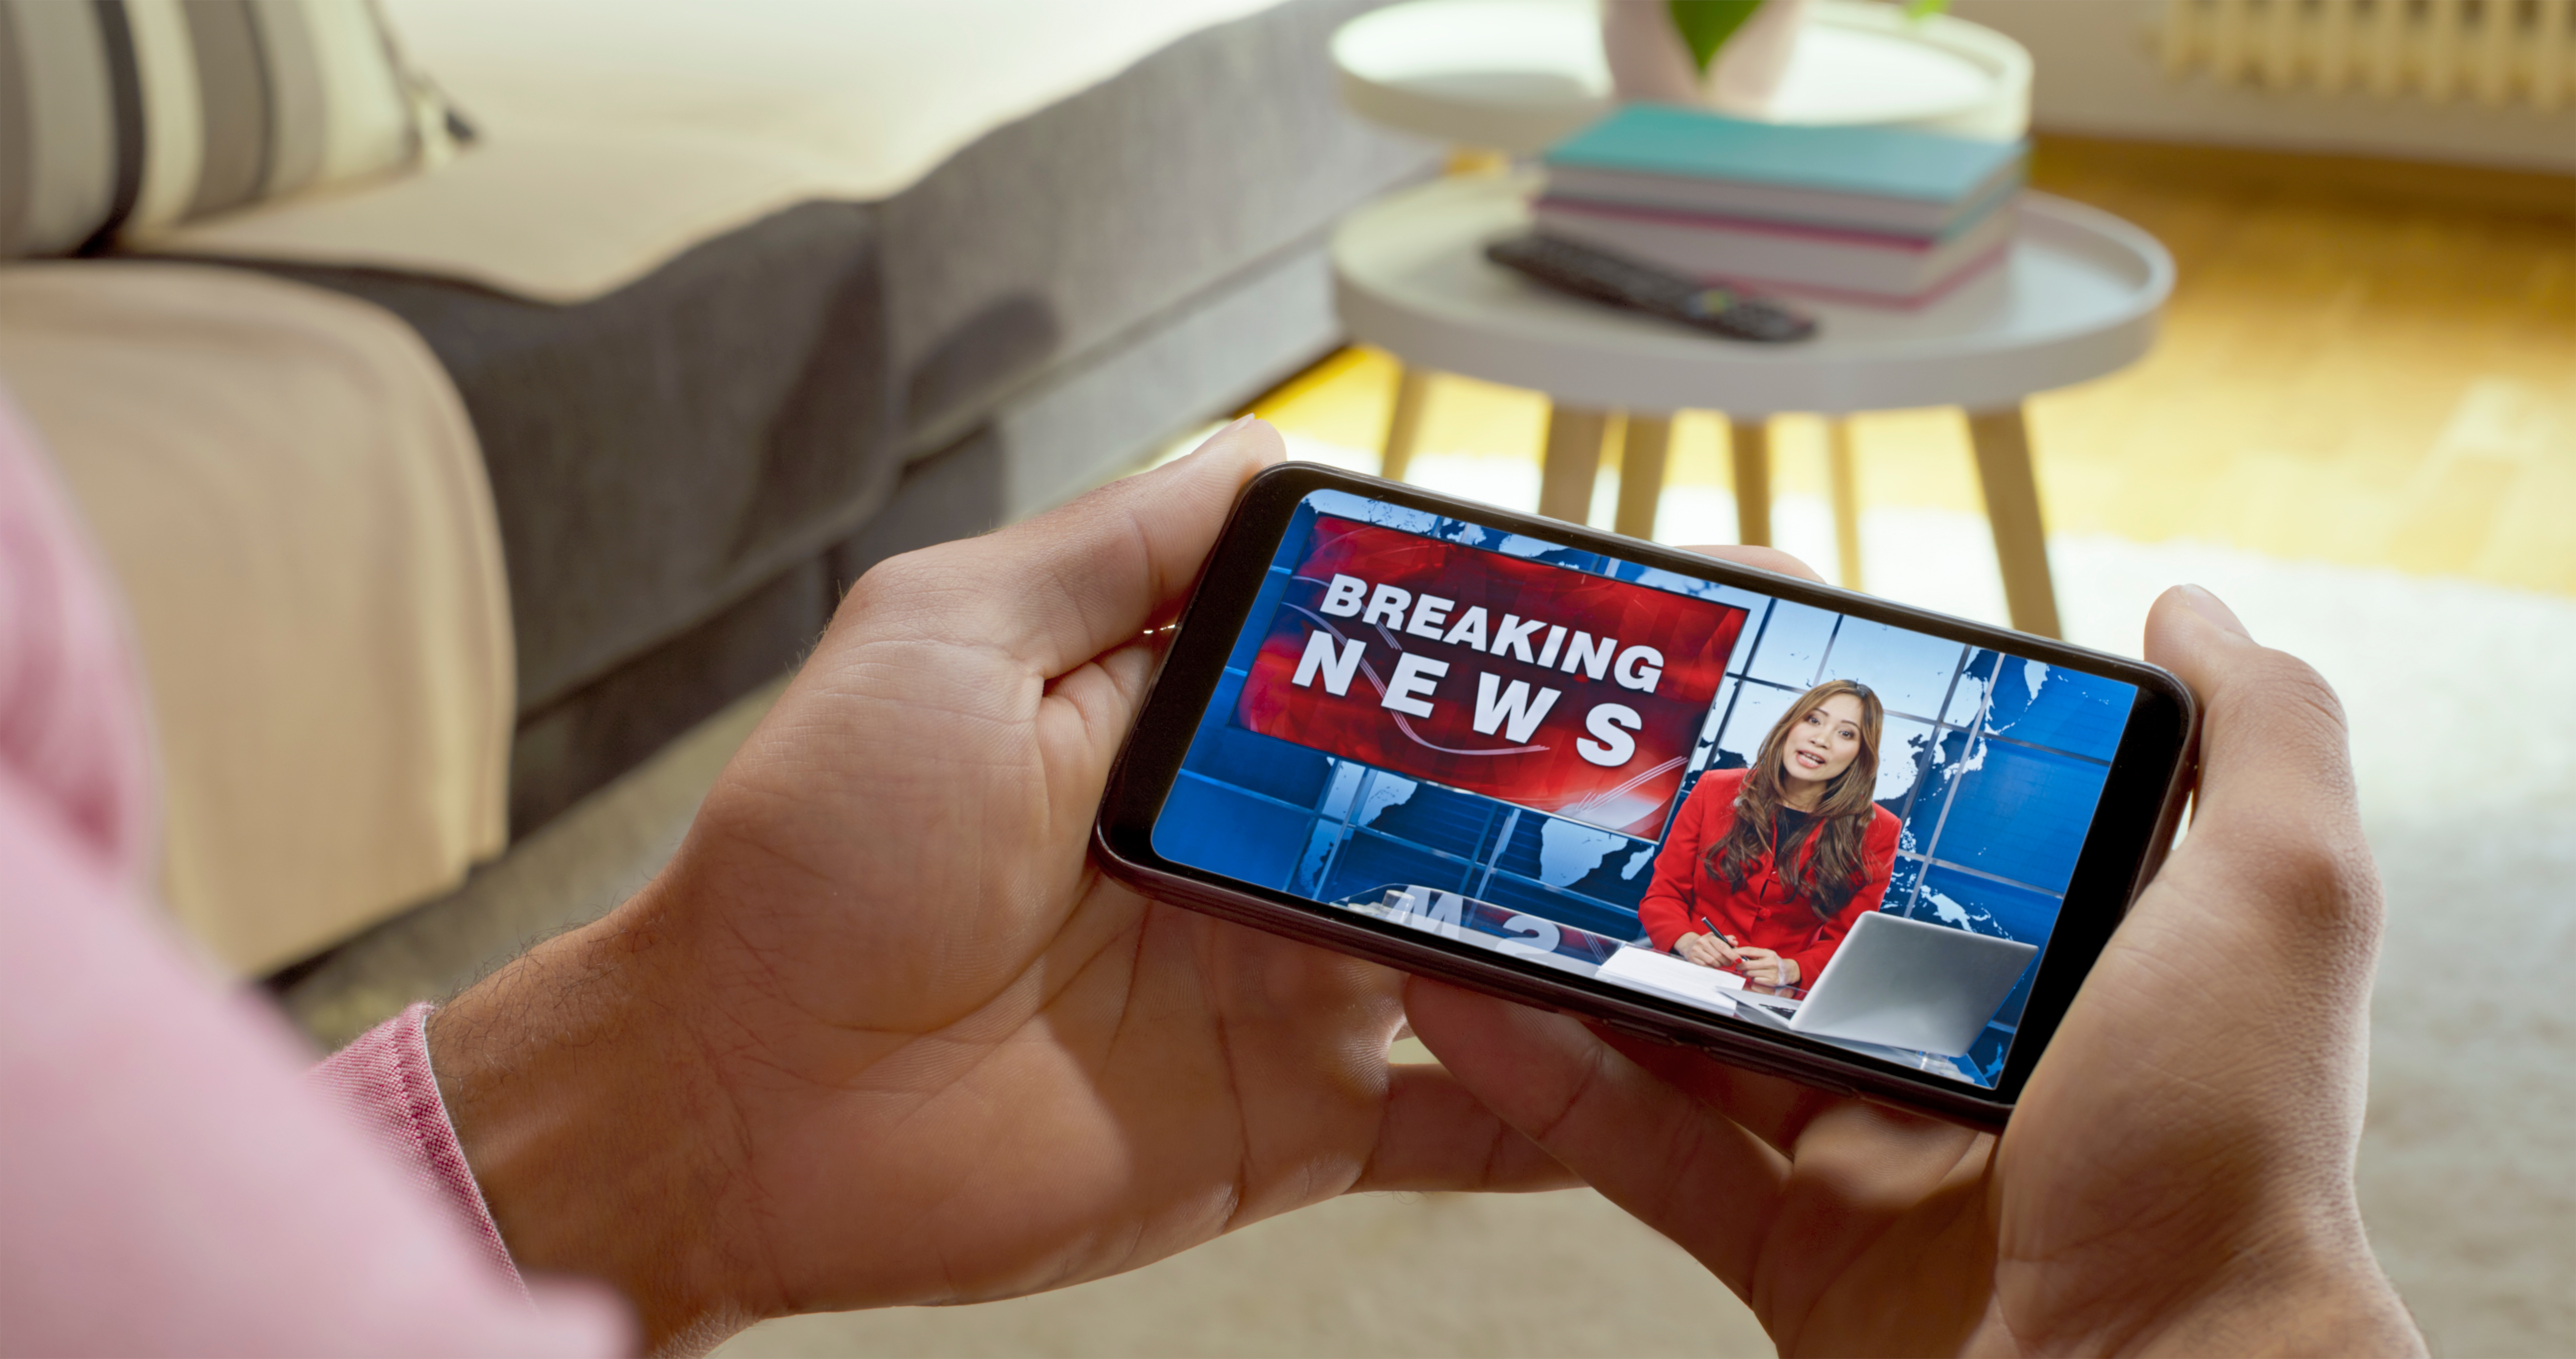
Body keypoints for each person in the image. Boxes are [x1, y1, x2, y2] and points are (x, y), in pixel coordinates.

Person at [1, 405, 2426, 1355]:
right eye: (1788, 721)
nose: (1803, 735)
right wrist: (2185, 1333)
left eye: (1820, 727)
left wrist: (675, 1100)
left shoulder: (1879, 840)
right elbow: (1679, 894)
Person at [1638, 678, 1901, 989]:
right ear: (1791, 725)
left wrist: (1794, 969)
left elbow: (1847, 939)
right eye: (1813, 720)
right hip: (1684, 977)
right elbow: (1664, 895)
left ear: (1861, 754)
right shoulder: (1714, 788)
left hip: (1774, 996)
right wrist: (1687, 941)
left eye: (1846, 733)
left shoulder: (1879, 830)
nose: (1821, 739)